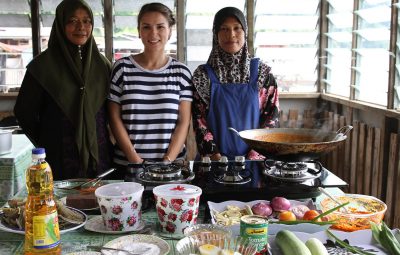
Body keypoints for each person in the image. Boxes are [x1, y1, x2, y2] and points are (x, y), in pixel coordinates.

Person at [14, 0, 112, 180]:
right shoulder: (42, 67)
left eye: (87, 21)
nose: (81, 27)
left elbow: (112, 111)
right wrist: (48, 137)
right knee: (59, 205)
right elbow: (24, 113)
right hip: (58, 157)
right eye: (72, 21)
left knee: (100, 203)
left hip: (100, 157)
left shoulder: (103, 66)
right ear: (60, 24)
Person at [108, 2, 193, 177]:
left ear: (170, 31)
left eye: (160, 27)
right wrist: (136, 161)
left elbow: (183, 123)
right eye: (146, 27)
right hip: (127, 167)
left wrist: (166, 163)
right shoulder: (122, 68)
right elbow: (114, 118)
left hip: (172, 169)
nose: (153, 33)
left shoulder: (181, 72)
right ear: (139, 31)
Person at [192, 7, 280, 161]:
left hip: (255, 162)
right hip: (214, 163)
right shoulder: (202, 76)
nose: (231, 35)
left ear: (245, 32)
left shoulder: (263, 75)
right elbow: (200, 123)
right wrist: (215, 156)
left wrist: (254, 156)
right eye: (224, 29)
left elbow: (271, 119)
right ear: (215, 34)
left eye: (237, 28)